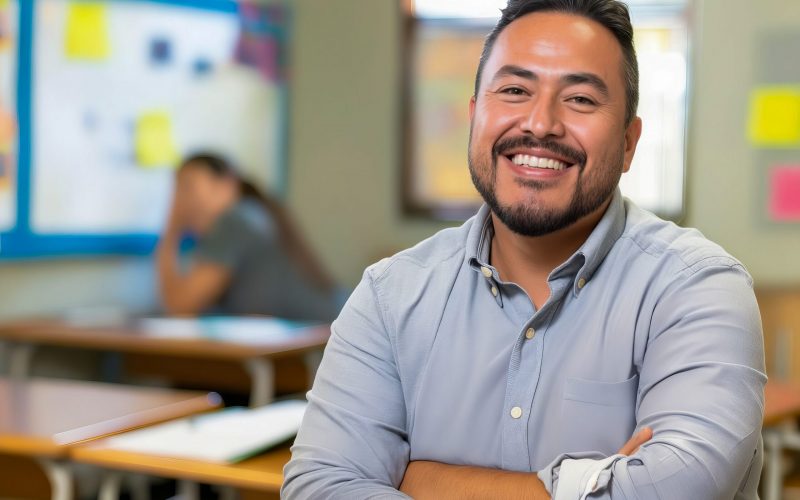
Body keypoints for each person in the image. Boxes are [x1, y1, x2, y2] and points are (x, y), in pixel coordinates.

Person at [282, 0, 766, 498]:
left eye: (579, 99)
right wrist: (589, 485)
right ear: (475, 118)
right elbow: (318, 487)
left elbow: (683, 490)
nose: (540, 124)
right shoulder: (390, 296)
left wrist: (422, 479)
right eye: (514, 90)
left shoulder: (697, 287)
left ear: (628, 142)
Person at [156, 153, 340, 321]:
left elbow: (180, 307)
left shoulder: (234, 221)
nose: (180, 202)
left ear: (226, 184)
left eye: (188, 187)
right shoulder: (253, 213)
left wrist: (172, 228)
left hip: (324, 341)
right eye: (177, 190)